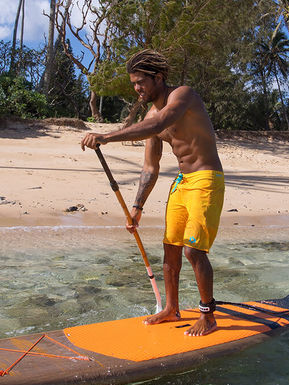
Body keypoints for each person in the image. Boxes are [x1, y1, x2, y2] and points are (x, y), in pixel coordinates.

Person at [81, 49, 225, 336]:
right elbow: (150, 166)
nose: (136, 88)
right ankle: (171, 309)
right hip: (183, 182)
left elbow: (159, 123)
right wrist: (137, 206)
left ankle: (208, 316)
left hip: (206, 179)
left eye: (140, 82)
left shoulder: (182, 96)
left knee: (193, 250)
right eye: (133, 83)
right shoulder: (150, 115)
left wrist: (106, 137)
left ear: (158, 78)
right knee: (170, 248)